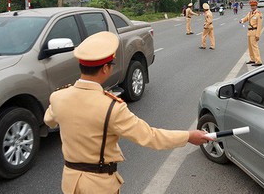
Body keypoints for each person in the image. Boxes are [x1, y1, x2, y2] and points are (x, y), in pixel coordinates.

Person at [44, 31, 212, 194]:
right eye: (111, 65)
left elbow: (49, 121)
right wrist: (189, 136)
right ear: (105, 69)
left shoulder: (58, 97)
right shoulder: (111, 107)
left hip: (71, 182)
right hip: (99, 185)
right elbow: (150, 137)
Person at [239, 0, 263, 66]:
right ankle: (252, 59)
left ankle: (258, 61)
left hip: (254, 32)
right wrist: (242, 21)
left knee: (254, 46)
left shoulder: (259, 14)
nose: (252, 7)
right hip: (249, 32)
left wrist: (258, 35)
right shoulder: (250, 13)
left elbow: (259, 25)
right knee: (250, 47)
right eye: (251, 6)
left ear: (256, 6)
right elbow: (246, 18)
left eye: (253, 6)